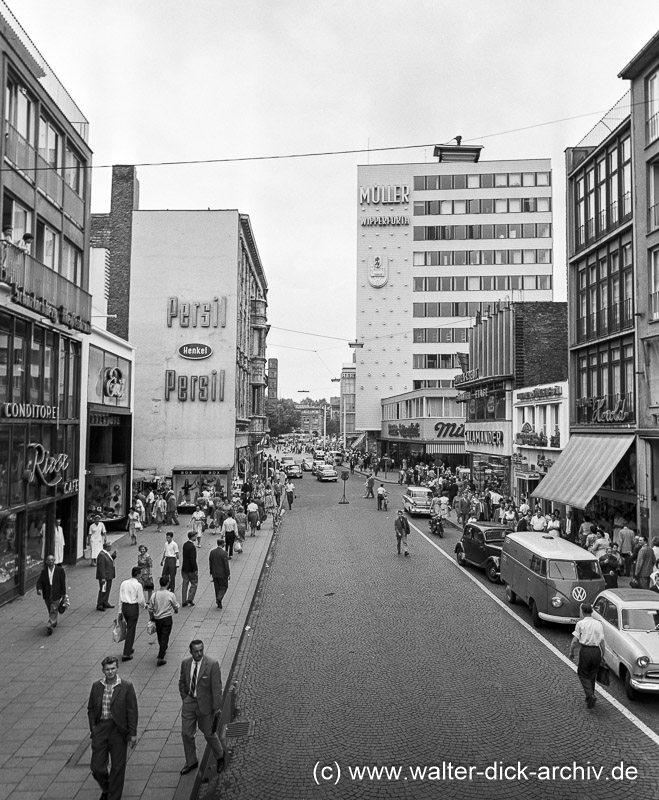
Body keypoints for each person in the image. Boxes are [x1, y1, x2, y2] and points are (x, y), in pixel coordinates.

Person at [87, 655, 138, 799]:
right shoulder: (97, 686)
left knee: (118, 767)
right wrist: (93, 728)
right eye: (107, 669)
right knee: (97, 768)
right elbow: (91, 708)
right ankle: (107, 787)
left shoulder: (126, 687)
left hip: (118, 730)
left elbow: (132, 711)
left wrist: (132, 733)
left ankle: (113, 797)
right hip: (101, 729)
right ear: (103, 670)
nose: (110, 672)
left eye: (113, 668)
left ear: (117, 668)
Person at [178, 639, 225, 775]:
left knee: (209, 734)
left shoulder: (211, 665)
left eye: (201, 650)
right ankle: (191, 761)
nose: (199, 653)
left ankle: (220, 756)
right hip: (190, 702)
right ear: (191, 651)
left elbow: (217, 689)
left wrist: (216, 708)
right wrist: (185, 697)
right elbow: (182, 682)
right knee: (186, 733)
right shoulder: (186, 664)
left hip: (205, 705)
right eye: (196, 651)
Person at [568, 602, 605, 709]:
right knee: (592, 674)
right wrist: (603, 655)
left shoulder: (580, 624)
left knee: (582, 673)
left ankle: (590, 694)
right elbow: (602, 642)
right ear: (592, 612)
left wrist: (571, 652)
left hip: (586, 651)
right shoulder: (599, 624)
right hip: (596, 651)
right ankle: (590, 697)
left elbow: (575, 640)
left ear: (583, 612)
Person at [148, 576, 180, 666]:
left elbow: (150, 608)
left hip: (157, 618)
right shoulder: (170, 595)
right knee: (165, 636)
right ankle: (160, 657)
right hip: (167, 618)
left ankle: (163, 648)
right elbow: (175, 605)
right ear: (167, 584)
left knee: (160, 635)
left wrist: (151, 617)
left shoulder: (154, 595)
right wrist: (176, 610)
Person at [36, 554, 66, 635]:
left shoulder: (60, 570)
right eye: (49, 560)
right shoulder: (44, 572)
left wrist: (64, 593)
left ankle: (50, 624)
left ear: (54, 560)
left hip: (56, 592)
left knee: (54, 608)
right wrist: (39, 589)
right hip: (47, 593)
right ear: (46, 562)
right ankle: (54, 620)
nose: (51, 561)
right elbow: (40, 582)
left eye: (52, 560)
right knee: (50, 608)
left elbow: (63, 583)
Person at [209, 538, 231, 609]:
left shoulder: (212, 552)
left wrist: (211, 572)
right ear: (223, 544)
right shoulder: (224, 553)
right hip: (222, 573)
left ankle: (219, 602)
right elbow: (226, 565)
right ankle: (219, 598)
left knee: (217, 588)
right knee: (224, 586)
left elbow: (210, 563)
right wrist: (228, 574)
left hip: (215, 573)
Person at [96, 542, 116, 611]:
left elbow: (109, 561)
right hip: (105, 576)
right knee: (103, 590)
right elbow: (101, 567)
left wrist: (113, 557)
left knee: (107, 589)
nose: (110, 547)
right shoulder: (101, 555)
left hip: (109, 576)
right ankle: (100, 604)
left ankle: (105, 602)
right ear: (106, 547)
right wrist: (103, 577)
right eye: (109, 546)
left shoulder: (106, 553)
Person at [181, 531, 199, 607]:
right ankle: (190, 599)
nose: (196, 537)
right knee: (194, 584)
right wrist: (195, 569)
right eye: (195, 536)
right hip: (191, 569)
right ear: (192, 537)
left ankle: (183, 600)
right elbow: (193, 559)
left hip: (184, 567)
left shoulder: (185, 545)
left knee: (185, 584)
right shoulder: (192, 547)